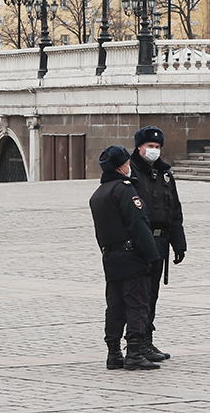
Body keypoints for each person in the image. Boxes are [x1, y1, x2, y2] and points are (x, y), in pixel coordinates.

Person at [89, 145, 161, 371]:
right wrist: (152, 256)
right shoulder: (125, 190)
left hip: (110, 256)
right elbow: (138, 224)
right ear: (121, 166)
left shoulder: (98, 194)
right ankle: (135, 352)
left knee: (115, 305)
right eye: (127, 163)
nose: (130, 166)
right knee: (137, 304)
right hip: (132, 256)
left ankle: (113, 352)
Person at [129, 126, 186, 362]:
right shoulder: (130, 171)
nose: (154, 151)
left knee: (152, 294)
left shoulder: (164, 174)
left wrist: (178, 242)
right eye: (150, 147)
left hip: (161, 241)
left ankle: (147, 341)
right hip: (140, 242)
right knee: (138, 296)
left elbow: (175, 210)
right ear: (139, 147)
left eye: (157, 147)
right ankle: (135, 342)